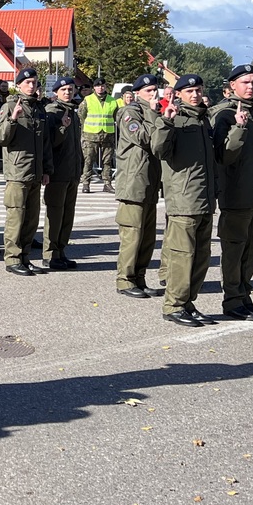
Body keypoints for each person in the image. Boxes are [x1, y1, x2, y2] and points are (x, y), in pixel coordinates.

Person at [152, 73, 217, 327]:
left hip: (204, 198)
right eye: (189, 91)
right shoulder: (174, 118)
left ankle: (188, 303)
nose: (195, 94)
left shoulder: (203, 120)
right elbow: (159, 150)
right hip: (184, 200)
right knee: (182, 256)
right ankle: (174, 305)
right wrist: (166, 122)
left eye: (198, 90)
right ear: (178, 94)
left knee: (201, 256)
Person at [212, 65, 253, 321]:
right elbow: (223, 156)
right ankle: (233, 300)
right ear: (232, 85)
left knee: (251, 252)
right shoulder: (224, 115)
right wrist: (238, 127)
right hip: (236, 196)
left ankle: (245, 296)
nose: (251, 86)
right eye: (246, 82)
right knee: (234, 252)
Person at [0, 66, 52, 276]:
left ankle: (25, 258)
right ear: (18, 85)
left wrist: (47, 169)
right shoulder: (10, 105)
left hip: (35, 172)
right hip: (18, 172)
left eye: (34, 83)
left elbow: (45, 143)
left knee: (31, 219)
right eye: (27, 82)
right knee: (16, 218)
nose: (31, 86)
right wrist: (12, 119)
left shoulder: (39, 109)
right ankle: (12, 259)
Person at [113, 73, 165, 298]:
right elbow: (143, 138)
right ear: (137, 93)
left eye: (155, 90)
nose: (153, 94)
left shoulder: (154, 112)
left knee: (147, 238)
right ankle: (125, 280)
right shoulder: (130, 112)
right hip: (133, 182)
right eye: (148, 91)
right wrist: (153, 114)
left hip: (150, 181)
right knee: (132, 236)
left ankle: (139, 278)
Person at [42, 76, 82, 269]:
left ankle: (61, 251)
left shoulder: (73, 112)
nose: (68, 92)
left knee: (67, 215)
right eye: (64, 89)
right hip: (57, 172)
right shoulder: (52, 112)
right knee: (55, 214)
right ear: (56, 92)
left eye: (70, 89)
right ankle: (50, 254)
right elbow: (49, 143)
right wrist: (62, 128)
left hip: (72, 171)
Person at [80, 78, 120, 192]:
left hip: (107, 134)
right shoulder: (88, 99)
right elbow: (81, 115)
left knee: (107, 160)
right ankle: (86, 183)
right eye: (98, 86)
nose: (100, 88)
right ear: (94, 88)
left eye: (102, 86)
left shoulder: (112, 100)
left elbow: (116, 116)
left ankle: (107, 183)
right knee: (89, 159)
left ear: (105, 87)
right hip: (91, 135)